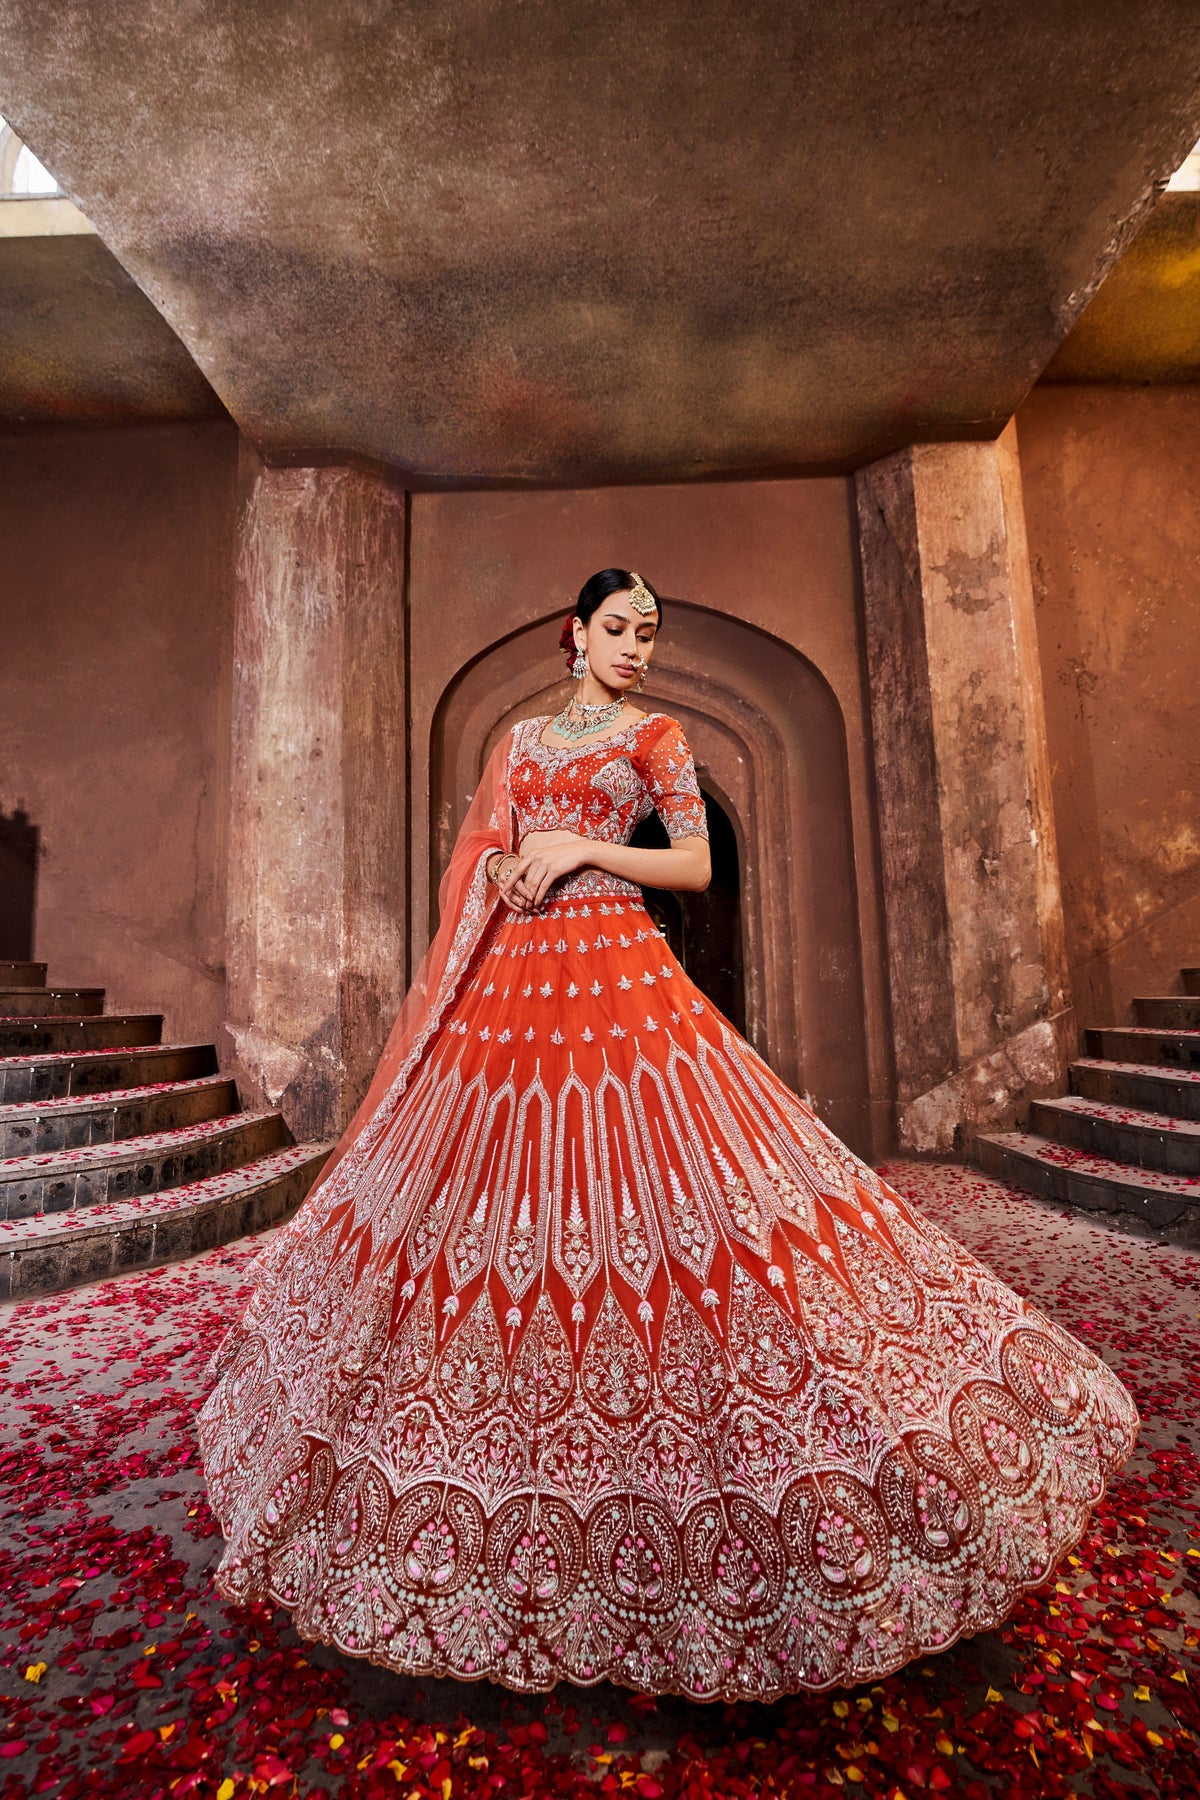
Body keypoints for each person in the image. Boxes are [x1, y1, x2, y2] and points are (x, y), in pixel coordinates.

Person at [197, 568, 1137, 1702]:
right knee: (490, 1204)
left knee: (657, 1198)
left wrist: (586, 851)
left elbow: (689, 865)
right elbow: (487, 847)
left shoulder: (657, 735)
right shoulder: (523, 734)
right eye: (618, 628)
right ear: (573, 633)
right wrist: (505, 862)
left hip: (617, 973)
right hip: (508, 978)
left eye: (648, 632)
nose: (635, 646)